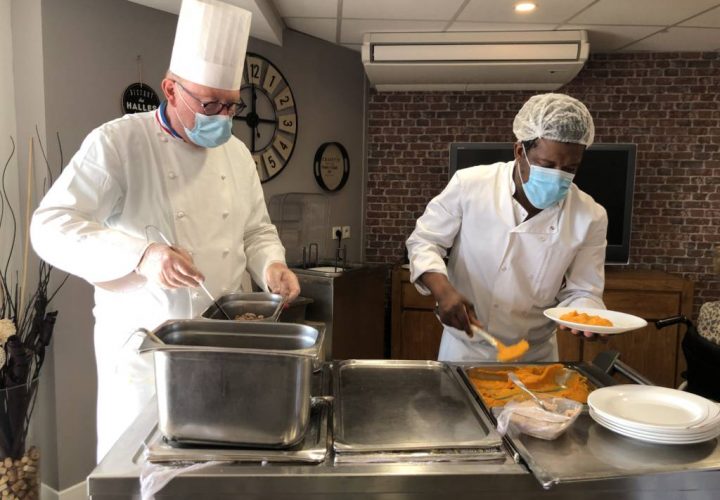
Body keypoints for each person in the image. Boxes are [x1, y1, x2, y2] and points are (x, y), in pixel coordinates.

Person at [30, 0, 299, 461]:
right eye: (209, 102)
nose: (221, 116)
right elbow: (49, 225)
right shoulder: (118, 143)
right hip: (147, 357)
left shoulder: (236, 154)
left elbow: (256, 229)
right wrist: (143, 255)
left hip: (222, 348)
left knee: (218, 468)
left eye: (231, 105)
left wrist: (272, 265)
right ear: (170, 90)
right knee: (142, 472)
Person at [406, 93, 607, 363]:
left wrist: (588, 318)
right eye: (547, 165)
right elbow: (425, 241)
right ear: (519, 151)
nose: (558, 176)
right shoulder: (471, 184)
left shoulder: (590, 215)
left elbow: (583, 291)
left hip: (535, 354)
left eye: (570, 168)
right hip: (466, 349)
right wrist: (443, 291)